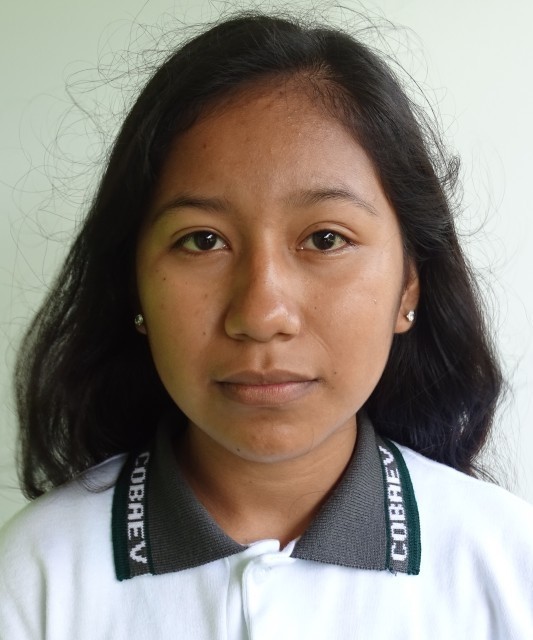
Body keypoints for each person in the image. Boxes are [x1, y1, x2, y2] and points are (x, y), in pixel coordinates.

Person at [1, 12, 532, 639]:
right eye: (202, 240)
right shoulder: (32, 578)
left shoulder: (508, 565)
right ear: (133, 284)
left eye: (326, 238)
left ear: (408, 284)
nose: (261, 315)